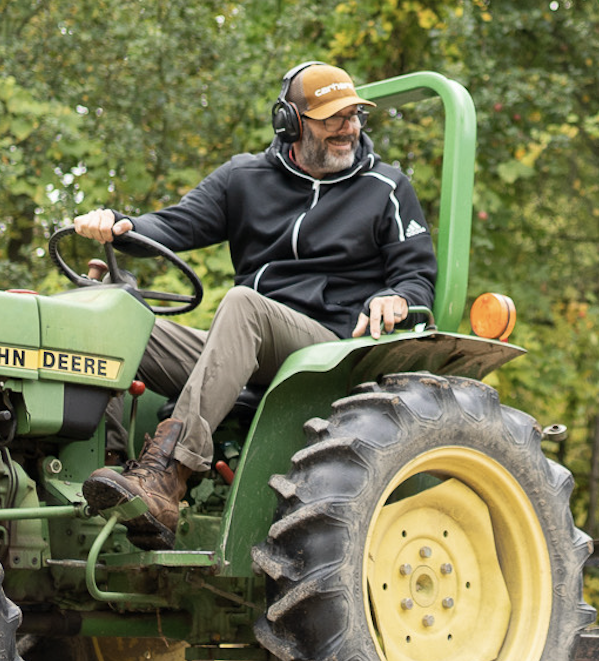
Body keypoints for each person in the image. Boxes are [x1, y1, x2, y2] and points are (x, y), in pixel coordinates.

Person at [69, 62, 437, 543]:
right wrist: (121, 226)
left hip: (325, 350)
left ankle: (168, 475)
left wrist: (398, 296)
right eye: (332, 119)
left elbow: (416, 275)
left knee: (243, 303)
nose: (348, 129)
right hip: (242, 346)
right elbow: (173, 226)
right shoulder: (244, 178)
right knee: (112, 318)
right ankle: (109, 472)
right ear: (291, 122)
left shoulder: (386, 188)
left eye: (354, 116)